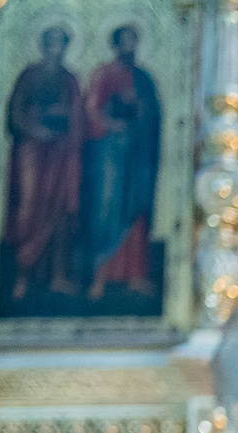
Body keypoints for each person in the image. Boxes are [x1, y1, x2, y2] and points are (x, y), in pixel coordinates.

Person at [80, 26, 160, 304]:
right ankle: (99, 278)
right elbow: (90, 111)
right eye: (126, 42)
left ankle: (136, 276)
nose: (131, 47)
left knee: (136, 210)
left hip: (137, 156)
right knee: (107, 211)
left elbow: (151, 114)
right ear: (116, 45)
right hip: (110, 157)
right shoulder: (104, 74)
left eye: (134, 42)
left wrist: (140, 107)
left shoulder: (143, 78)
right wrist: (112, 122)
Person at [4, 27, 84, 303]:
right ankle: (21, 277)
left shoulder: (70, 80)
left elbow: (78, 118)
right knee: (28, 212)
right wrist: (35, 127)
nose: (56, 50)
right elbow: (14, 113)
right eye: (51, 44)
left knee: (59, 213)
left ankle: (57, 276)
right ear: (43, 47)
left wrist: (64, 119)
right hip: (32, 155)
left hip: (60, 156)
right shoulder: (30, 75)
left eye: (61, 44)